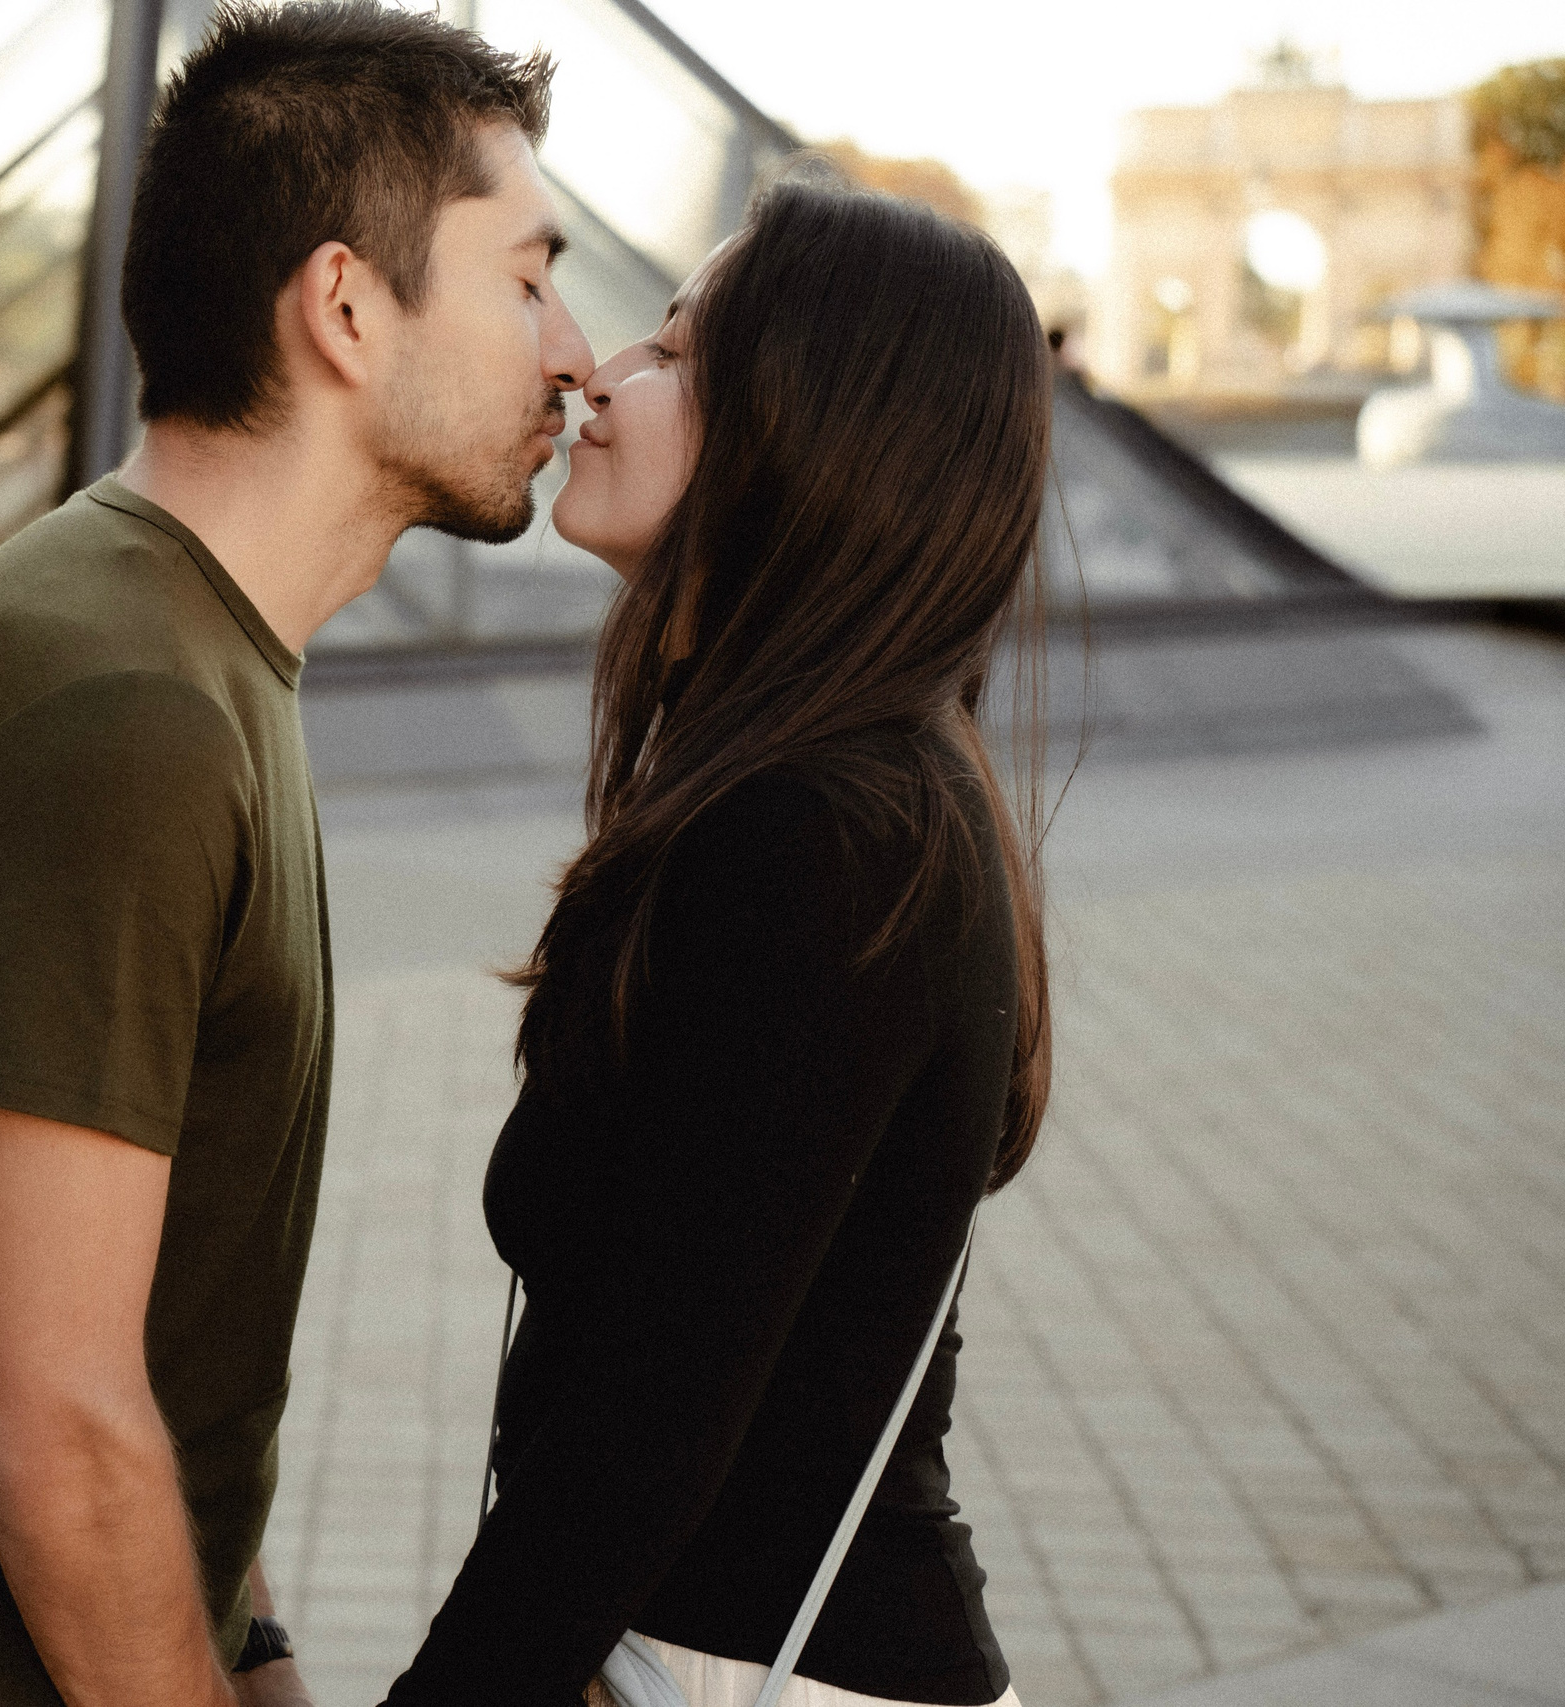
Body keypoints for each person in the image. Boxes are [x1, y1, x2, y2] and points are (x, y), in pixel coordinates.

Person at [0, 5, 593, 1705]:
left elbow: (150, 1357)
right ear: (343, 308)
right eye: (527, 278)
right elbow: (52, 1414)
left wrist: (255, 1660)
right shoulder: (133, 716)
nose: (575, 350)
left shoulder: (164, 643)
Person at [383, 169, 1055, 1707]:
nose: (601, 378)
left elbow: (647, 1427)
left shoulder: (824, 834)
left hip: (748, 1665)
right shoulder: (834, 794)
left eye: (680, 358)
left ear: (819, 436)